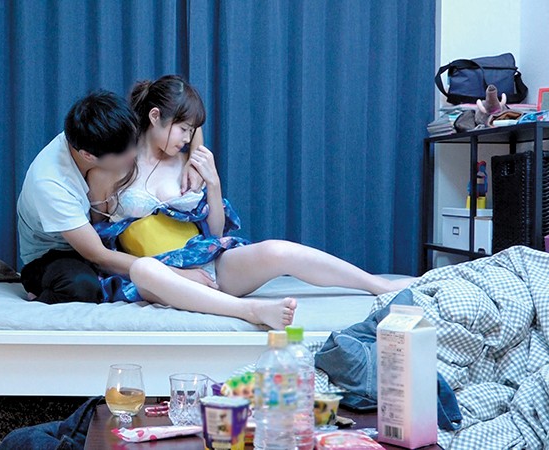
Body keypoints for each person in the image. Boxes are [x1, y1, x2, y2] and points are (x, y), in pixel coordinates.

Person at [88, 75, 414, 329]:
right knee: (144, 269)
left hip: (210, 266)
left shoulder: (189, 163)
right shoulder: (112, 169)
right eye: (183, 129)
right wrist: (176, 273)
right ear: (155, 116)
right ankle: (250, 311)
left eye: (191, 131)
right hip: (159, 278)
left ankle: (377, 285)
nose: (187, 138)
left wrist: (213, 184)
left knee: (277, 250)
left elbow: (215, 234)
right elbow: (101, 251)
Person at [16, 90, 209, 305]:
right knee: (83, 287)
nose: (135, 154)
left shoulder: (107, 127)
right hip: (56, 253)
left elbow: (186, 115)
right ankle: (39, 293)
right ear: (88, 156)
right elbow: (98, 255)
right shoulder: (51, 184)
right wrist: (176, 275)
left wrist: (194, 159)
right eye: (125, 154)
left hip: (97, 240)